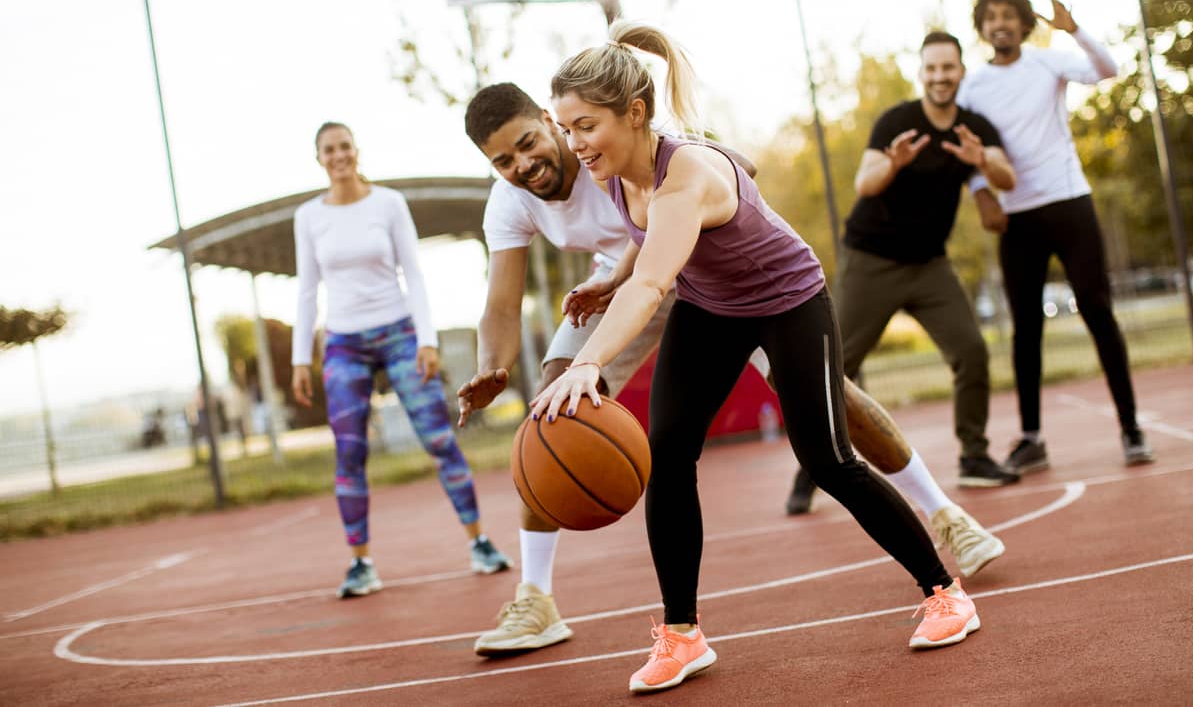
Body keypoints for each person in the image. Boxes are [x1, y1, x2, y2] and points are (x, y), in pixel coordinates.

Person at [459, 83, 1004, 658]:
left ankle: (944, 515)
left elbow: (723, 173)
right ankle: (543, 599)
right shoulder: (523, 195)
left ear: (550, 122)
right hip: (627, 286)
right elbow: (503, 303)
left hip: (725, 279)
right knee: (555, 412)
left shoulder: (620, 141)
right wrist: (494, 368)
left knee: (829, 420)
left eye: (528, 144)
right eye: (503, 161)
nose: (523, 164)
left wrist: (715, 173)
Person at [785, 32, 1020, 515]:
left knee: (972, 351)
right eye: (932, 69)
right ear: (922, 73)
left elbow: (1006, 176)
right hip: (872, 261)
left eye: (948, 68)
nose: (940, 77)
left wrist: (981, 162)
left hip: (930, 266)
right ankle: (811, 469)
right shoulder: (898, 121)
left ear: (960, 72)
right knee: (834, 367)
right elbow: (864, 182)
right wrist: (892, 165)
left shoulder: (973, 128)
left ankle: (974, 454)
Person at [291, 121, 512, 600]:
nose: (339, 156)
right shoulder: (308, 216)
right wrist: (298, 360)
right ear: (319, 158)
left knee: (439, 439)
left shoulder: (388, 203)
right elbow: (307, 287)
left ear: (356, 149)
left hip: (398, 334)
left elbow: (413, 272)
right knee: (349, 453)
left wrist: (426, 342)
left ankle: (480, 544)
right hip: (343, 343)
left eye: (345, 146)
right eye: (329, 150)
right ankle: (361, 564)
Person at [958, 0, 1155, 471]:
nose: (1000, 23)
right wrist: (981, 193)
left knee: (1097, 309)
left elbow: (1108, 69)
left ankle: (1130, 426)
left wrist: (1074, 30)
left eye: (1009, 16)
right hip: (1017, 216)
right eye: (991, 17)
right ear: (982, 29)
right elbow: (962, 149)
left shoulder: (1048, 62)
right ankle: (1032, 438)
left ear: (1025, 25)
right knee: (1025, 328)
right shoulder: (972, 88)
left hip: (1069, 202)